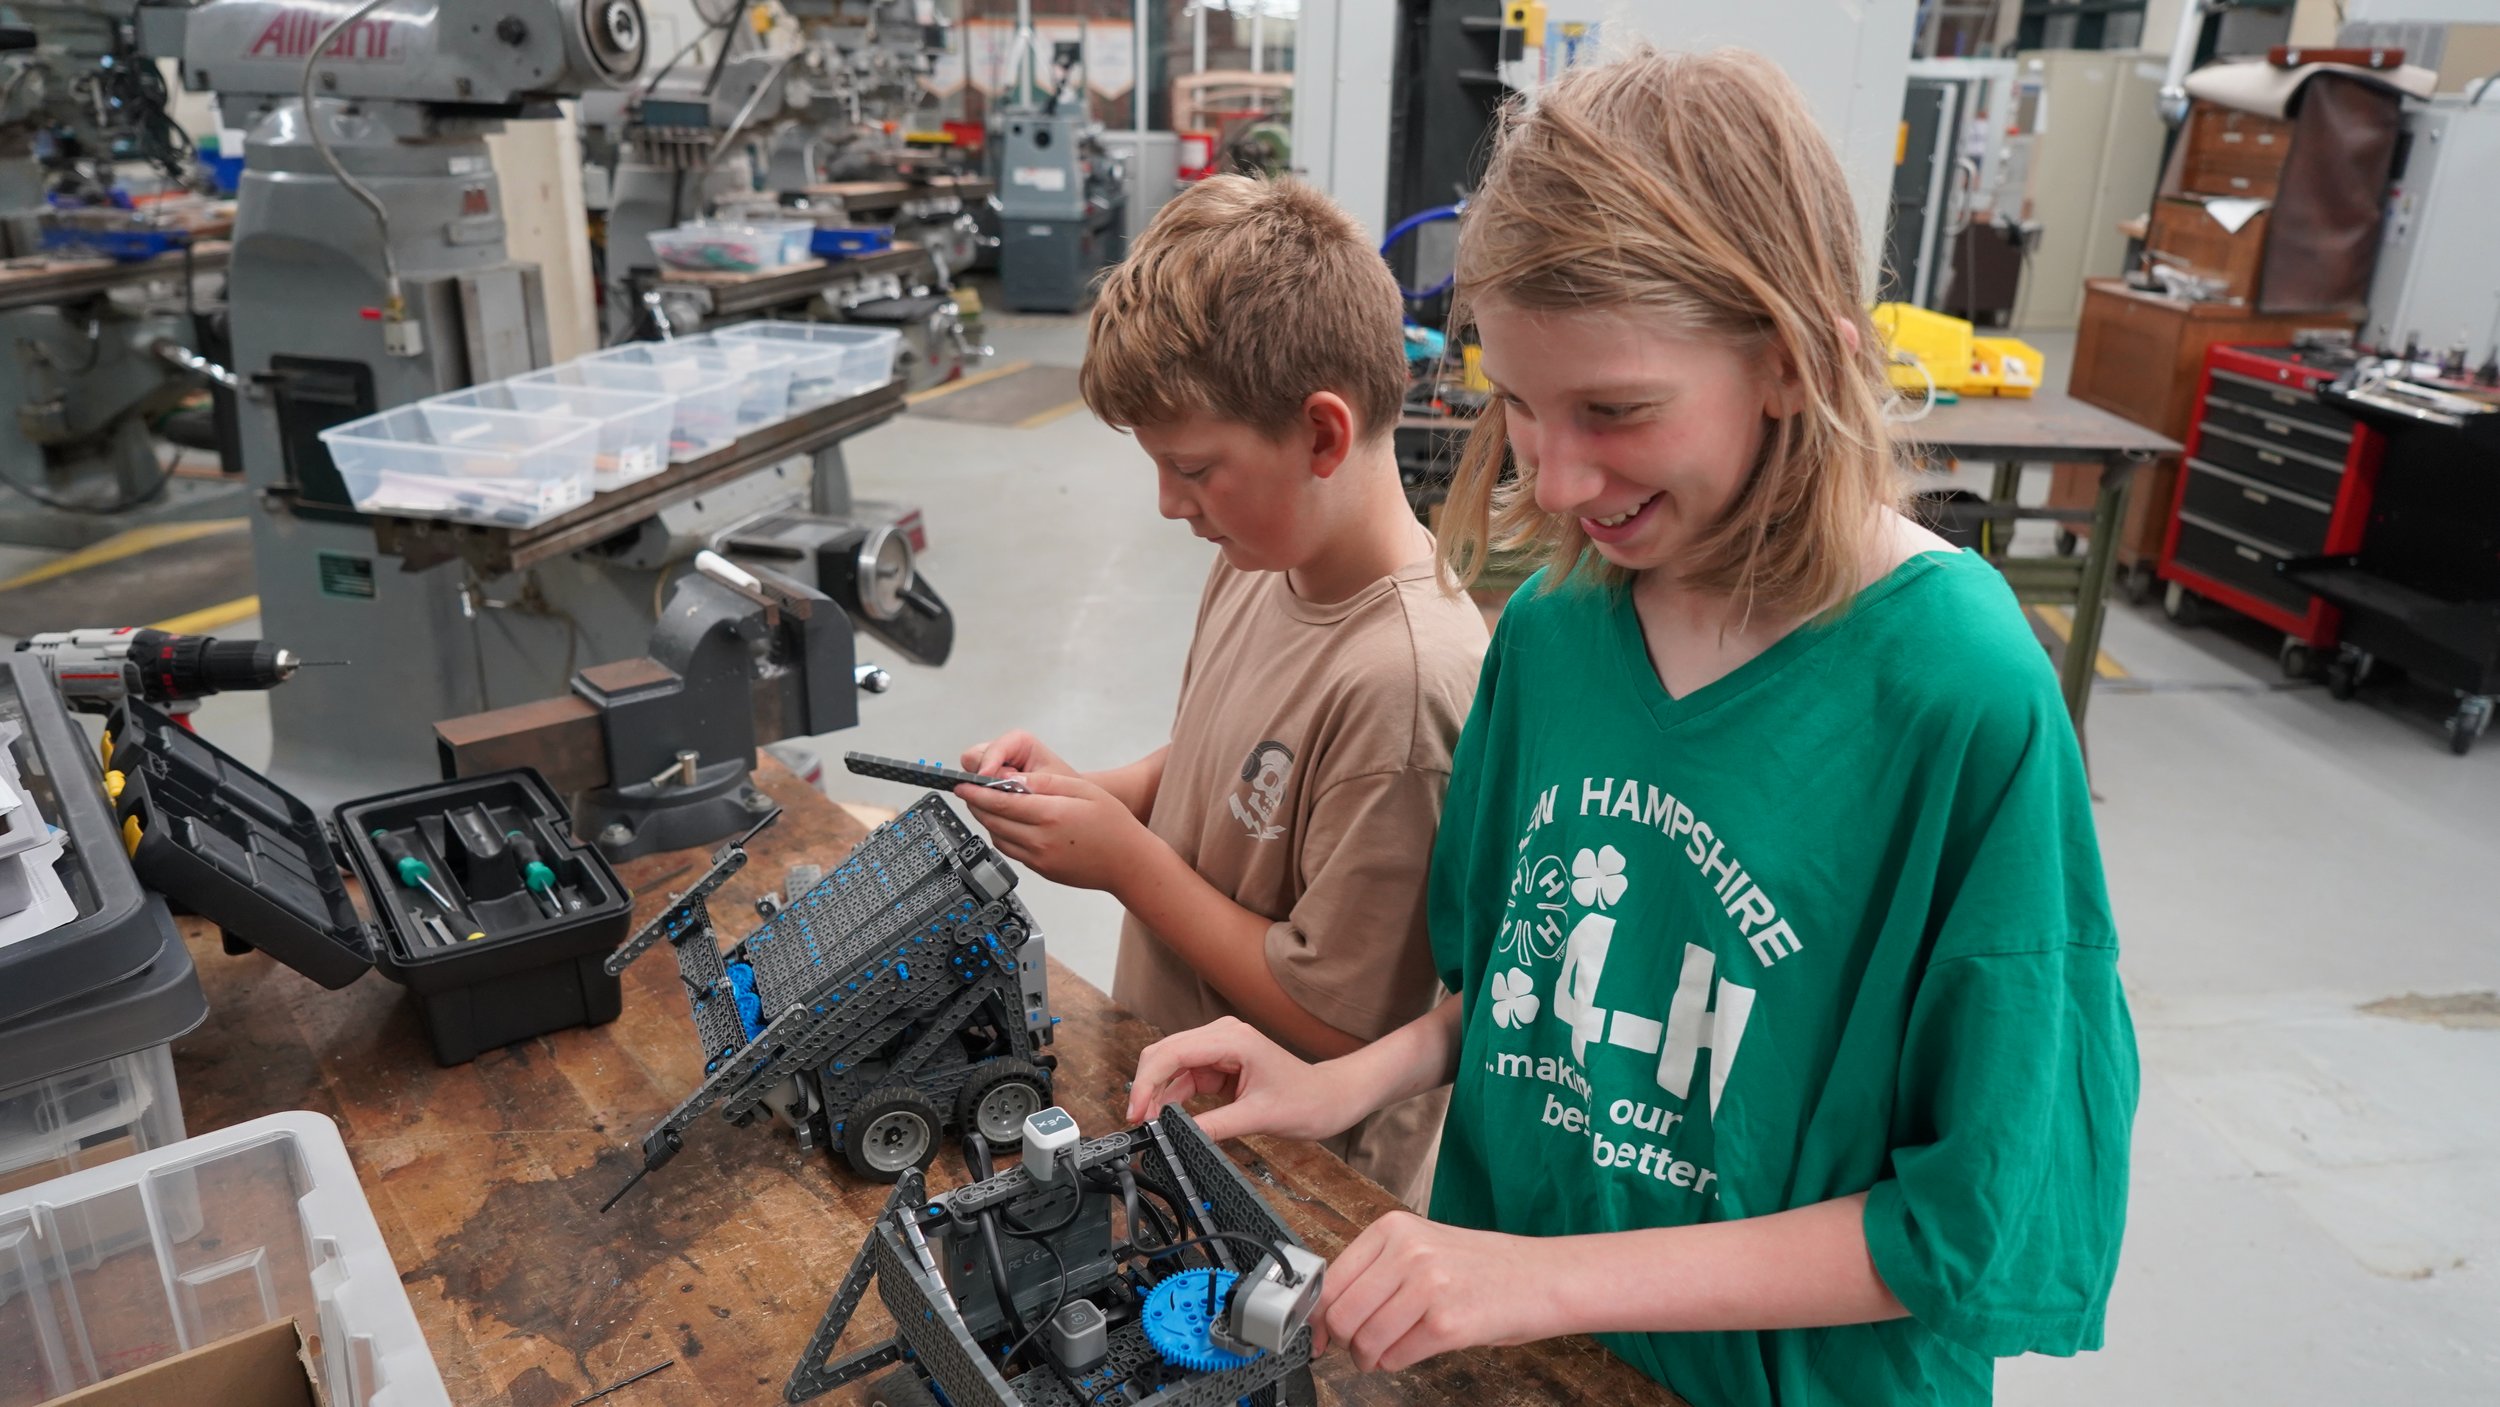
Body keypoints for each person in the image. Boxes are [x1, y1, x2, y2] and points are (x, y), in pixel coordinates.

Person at [1124, 46, 2139, 1406]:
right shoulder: (1555, 634)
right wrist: (1336, 1083)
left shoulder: (1958, 690)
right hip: (1517, 1362)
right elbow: (1519, 992)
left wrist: (1547, 1276)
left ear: (1788, 360)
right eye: (1519, 404)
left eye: (1614, 409)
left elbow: (1960, 1219)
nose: (1555, 474)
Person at [956, 174, 1489, 1208]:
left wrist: (1124, 866)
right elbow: (1211, 764)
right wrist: (1086, 796)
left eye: (1194, 468)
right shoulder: (1257, 562)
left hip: (1284, 1182)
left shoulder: (1406, 682)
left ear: (1323, 436)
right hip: (1170, 1093)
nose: (1168, 504)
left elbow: (1341, 1028)